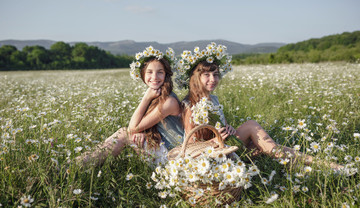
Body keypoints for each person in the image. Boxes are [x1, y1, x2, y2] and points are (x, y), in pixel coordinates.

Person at [176, 42, 344, 171]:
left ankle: (327, 165)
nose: (212, 79)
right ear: (195, 78)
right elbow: (191, 149)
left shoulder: (214, 99)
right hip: (209, 157)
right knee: (253, 127)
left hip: (225, 146)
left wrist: (230, 130)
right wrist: (216, 139)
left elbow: (221, 127)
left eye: (216, 75)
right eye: (206, 75)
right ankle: (319, 169)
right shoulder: (190, 105)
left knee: (270, 145)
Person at [77, 46, 184, 167]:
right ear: (143, 75)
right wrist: (142, 132)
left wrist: (146, 98)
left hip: (173, 157)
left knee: (124, 134)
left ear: (166, 75)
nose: (154, 77)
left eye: (160, 72)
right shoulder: (158, 95)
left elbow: (132, 128)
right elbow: (141, 127)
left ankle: (79, 165)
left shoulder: (169, 102)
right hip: (163, 147)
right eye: (149, 72)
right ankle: (83, 164)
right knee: (125, 134)